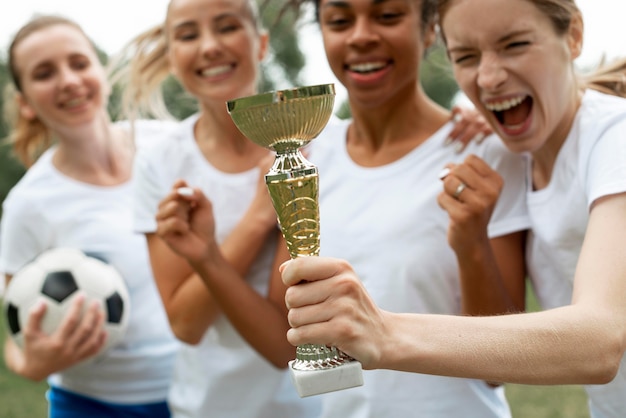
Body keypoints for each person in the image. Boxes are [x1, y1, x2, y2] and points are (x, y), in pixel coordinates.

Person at [280, 1, 626, 417]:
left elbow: (600, 341)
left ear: (573, 36)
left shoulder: (615, 136)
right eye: (466, 57)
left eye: (514, 45)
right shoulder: (525, 150)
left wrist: (383, 332)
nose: (489, 78)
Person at [112, 0, 320, 416]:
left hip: (306, 407)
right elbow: (186, 325)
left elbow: (286, 343)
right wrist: (258, 219)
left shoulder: (308, 145)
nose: (209, 46)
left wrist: (209, 256)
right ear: (172, 56)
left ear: (260, 44)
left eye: (226, 27)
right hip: (201, 406)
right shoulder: (161, 163)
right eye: (188, 35)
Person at [0, 15, 179, 418]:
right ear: (25, 102)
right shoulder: (29, 204)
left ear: (100, 70)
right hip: (92, 406)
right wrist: (33, 362)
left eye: (78, 63)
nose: (67, 80)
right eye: (44, 73)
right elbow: (17, 337)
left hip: (200, 394)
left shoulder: (168, 146)